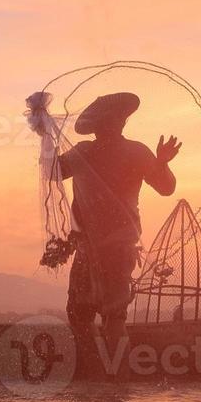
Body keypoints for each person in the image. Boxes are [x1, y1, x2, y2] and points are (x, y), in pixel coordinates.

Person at [60, 92, 181, 362]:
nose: (113, 125)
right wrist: (45, 136)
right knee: (81, 312)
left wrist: (161, 163)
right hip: (87, 247)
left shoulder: (134, 152)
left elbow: (166, 187)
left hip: (118, 245)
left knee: (113, 315)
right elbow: (54, 172)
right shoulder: (83, 151)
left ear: (121, 123)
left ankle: (115, 381)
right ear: (99, 126)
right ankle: (93, 372)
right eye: (107, 121)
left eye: (116, 120)